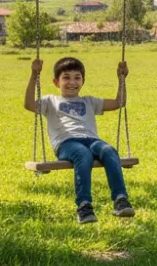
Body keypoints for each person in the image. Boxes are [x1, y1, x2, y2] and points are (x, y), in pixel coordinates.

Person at [25, 56, 135, 224]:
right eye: (66, 77)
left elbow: (119, 102)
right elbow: (28, 105)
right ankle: (84, 206)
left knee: (108, 150)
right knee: (83, 154)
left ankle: (120, 199)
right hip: (67, 143)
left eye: (77, 78)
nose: (72, 82)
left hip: (91, 140)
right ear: (56, 82)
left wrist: (122, 79)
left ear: (83, 81)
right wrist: (34, 75)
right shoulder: (50, 101)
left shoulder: (89, 101)